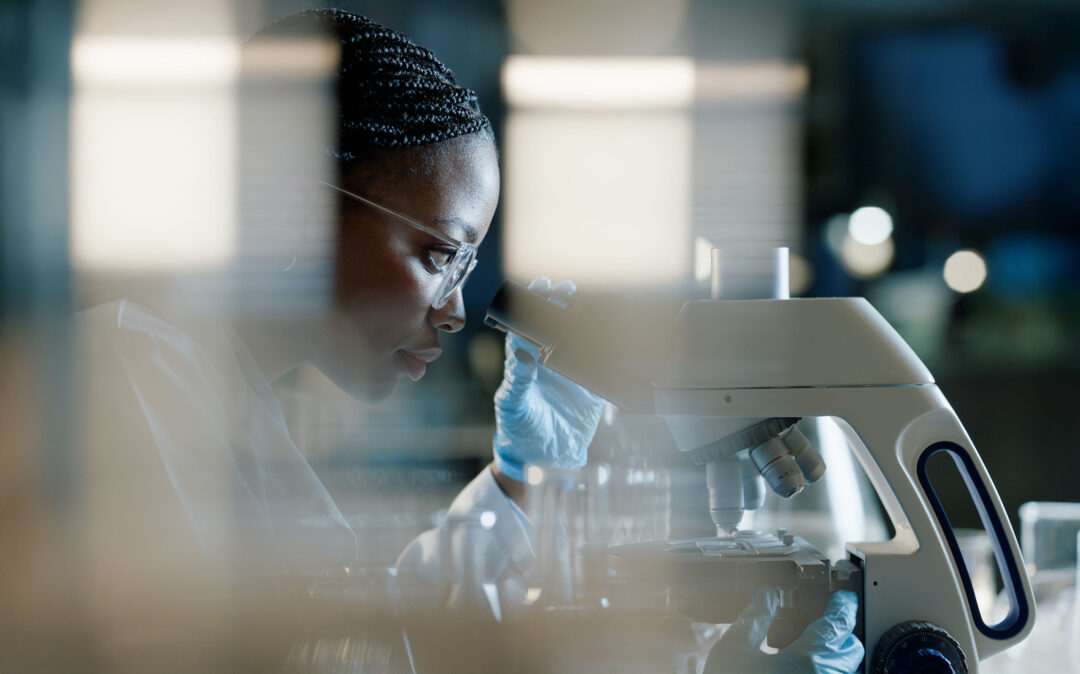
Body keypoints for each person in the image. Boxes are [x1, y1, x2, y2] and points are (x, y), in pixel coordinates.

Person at [73, 8, 861, 672]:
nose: (453, 312)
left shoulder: (214, 390)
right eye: (439, 255)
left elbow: (363, 638)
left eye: (466, 267)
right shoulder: (130, 385)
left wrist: (521, 481)